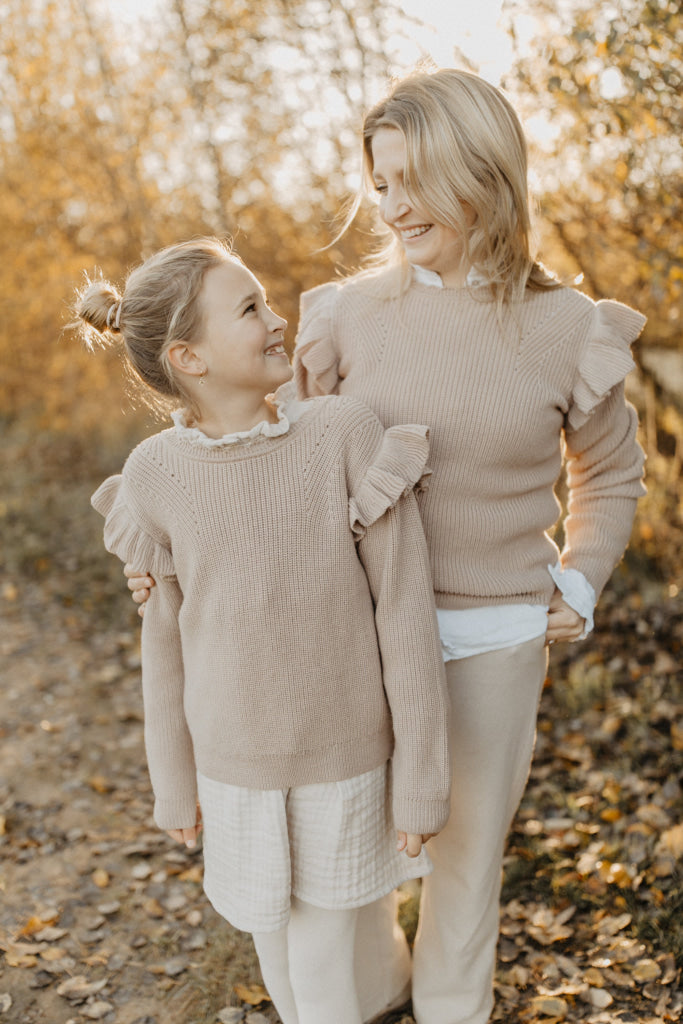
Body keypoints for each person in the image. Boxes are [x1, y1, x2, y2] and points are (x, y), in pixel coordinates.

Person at [126, 69, 647, 1024]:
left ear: (481, 172)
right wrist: (175, 555)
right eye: (380, 184)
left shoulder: (569, 329)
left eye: (412, 179)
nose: (393, 206)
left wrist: (581, 576)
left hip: (492, 637)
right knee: (353, 850)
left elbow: (608, 474)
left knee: (463, 858)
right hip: (353, 636)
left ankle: (451, 1007)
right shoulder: (342, 316)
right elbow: (287, 470)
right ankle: (369, 997)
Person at [79, 237, 451, 1024]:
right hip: (233, 773)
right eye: (250, 308)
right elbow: (166, 644)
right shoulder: (154, 476)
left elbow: (403, 612)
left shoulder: (342, 435)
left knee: (319, 967)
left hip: (340, 761)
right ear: (189, 357)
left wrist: (420, 774)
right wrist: (173, 781)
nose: (278, 318)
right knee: (278, 953)